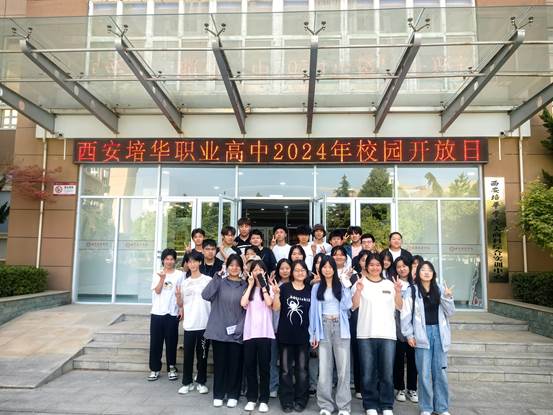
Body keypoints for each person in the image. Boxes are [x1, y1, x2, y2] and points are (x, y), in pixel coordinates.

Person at [352, 253, 403, 415]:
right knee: (368, 373)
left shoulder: (390, 284)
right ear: (366, 266)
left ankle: (387, 405)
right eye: (371, 265)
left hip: (387, 335)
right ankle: (370, 405)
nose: (375, 267)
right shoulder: (360, 282)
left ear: (382, 266)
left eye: (378, 265)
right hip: (365, 334)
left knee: (386, 373)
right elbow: (353, 306)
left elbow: (399, 306)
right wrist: (358, 290)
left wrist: (398, 292)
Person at [401, 261, 455, 415]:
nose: (426, 272)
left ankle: (442, 408)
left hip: (439, 334)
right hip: (421, 335)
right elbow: (405, 314)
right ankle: (426, 408)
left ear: (433, 273)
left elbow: (450, 313)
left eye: (429, 270)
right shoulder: (412, 290)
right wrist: (409, 334)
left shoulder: (440, 289)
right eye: (423, 269)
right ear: (418, 272)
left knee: (440, 373)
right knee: (424, 373)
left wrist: (447, 297)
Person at [202, 254, 247, 408]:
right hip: (219, 330)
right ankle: (219, 394)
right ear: (226, 267)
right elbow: (205, 295)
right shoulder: (219, 282)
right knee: (220, 364)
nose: (234, 268)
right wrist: (217, 276)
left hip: (237, 331)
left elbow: (247, 309)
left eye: (237, 265)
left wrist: (240, 327)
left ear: (241, 268)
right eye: (231, 265)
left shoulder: (245, 285)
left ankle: (233, 394)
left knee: (235, 364)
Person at [309, 256, 353, 415]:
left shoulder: (341, 285)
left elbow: (348, 305)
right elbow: (313, 312)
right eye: (324, 267)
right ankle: (325, 405)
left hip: (341, 327)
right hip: (323, 326)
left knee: (343, 369)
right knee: (324, 369)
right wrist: (313, 334)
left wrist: (346, 285)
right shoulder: (316, 287)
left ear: (334, 269)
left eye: (330, 267)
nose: (327, 270)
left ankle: (344, 406)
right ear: (320, 269)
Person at [272, 260, 312, 413]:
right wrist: (276, 294)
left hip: (304, 336)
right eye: (296, 270)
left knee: (302, 369)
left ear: (306, 272)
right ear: (292, 273)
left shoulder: (310, 289)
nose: (300, 273)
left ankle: (301, 399)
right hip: (285, 335)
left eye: (302, 270)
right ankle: (286, 400)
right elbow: (276, 308)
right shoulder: (284, 288)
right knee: (285, 370)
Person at [241, 260, 275, 413]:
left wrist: (264, 287)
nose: (257, 272)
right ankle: (251, 398)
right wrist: (250, 285)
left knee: (264, 368)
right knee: (250, 366)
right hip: (250, 334)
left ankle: (264, 399)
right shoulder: (248, 288)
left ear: (264, 272)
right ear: (251, 272)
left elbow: (269, 303)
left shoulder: (269, 288)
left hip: (265, 333)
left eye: (260, 269)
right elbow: (243, 303)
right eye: (255, 270)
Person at [176, 251, 211, 395]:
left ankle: (201, 382)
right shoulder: (185, 283)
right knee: (188, 356)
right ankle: (187, 382)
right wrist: (178, 298)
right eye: (189, 262)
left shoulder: (208, 280)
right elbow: (181, 304)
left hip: (204, 324)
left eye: (195, 261)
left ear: (200, 262)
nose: (192, 264)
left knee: (202, 356)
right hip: (189, 324)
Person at [148, 248, 184, 382]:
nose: (169, 261)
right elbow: (157, 291)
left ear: (175, 260)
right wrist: (162, 278)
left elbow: (181, 294)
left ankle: (171, 368)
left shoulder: (179, 275)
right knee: (155, 343)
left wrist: (181, 308)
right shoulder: (157, 273)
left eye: (172, 259)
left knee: (171, 342)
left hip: (172, 313)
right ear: (163, 260)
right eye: (167, 259)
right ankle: (154, 369)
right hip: (157, 313)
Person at [390, 256, 418, 404]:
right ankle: (399, 388)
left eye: (404, 266)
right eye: (399, 267)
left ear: (410, 267)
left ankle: (412, 389)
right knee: (399, 359)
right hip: (398, 327)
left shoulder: (416, 284)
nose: (402, 269)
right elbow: (397, 306)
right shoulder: (393, 283)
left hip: (415, 327)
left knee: (413, 359)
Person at [349, 250, 371, 400]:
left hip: (374, 320)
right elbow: (350, 303)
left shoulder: (381, 279)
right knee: (358, 354)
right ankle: (359, 387)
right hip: (357, 319)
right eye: (363, 260)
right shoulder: (354, 278)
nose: (366, 263)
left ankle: (372, 386)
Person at [270, 258, 293, 398]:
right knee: (273, 360)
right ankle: (273, 386)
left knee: (288, 362)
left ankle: (287, 386)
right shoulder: (273, 284)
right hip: (274, 327)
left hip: (290, 329)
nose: (284, 271)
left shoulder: (296, 284)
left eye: (287, 268)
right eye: (282, 268)